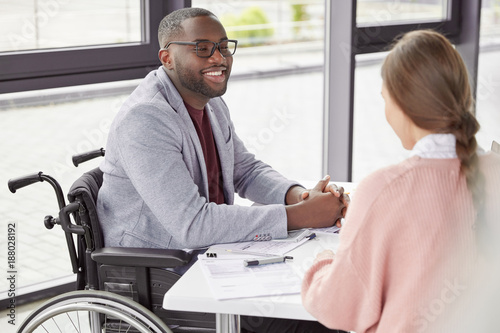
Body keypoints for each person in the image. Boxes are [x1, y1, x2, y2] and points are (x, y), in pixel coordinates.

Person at [97, 7, 348, 333]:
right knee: (315, 318)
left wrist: (299, 196)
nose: (220, 58)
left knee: (325, 294)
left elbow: (244, 170)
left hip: (213, 253)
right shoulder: (146, 119)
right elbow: (193, 224)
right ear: (167, 58)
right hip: (163, 270)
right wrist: (301, 216)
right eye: (203, 48)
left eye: (224, 46)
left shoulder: (209, 101)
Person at [301, 30, 500, 333]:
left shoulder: (381, 189)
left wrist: (324, 263)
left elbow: (337, 307)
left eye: (385, 99)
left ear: (402, 103)